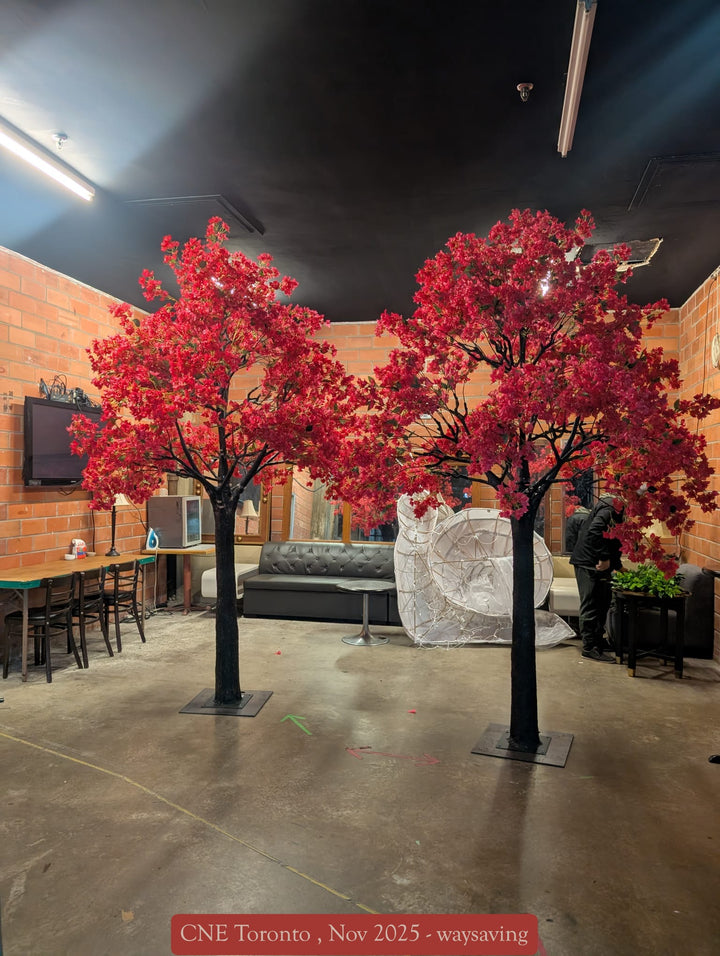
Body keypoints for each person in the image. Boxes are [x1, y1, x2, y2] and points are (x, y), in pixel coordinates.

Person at [570, 493, 624, 662]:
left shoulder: (617, 509)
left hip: (596, 562)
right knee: (592, 604)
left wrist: (617, 565)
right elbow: (595, 531)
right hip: (588, 563)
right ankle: (589, 647)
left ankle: (598, 640)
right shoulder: (610, 507)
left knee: (603, 601)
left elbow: (612, 539)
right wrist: (604, 557)